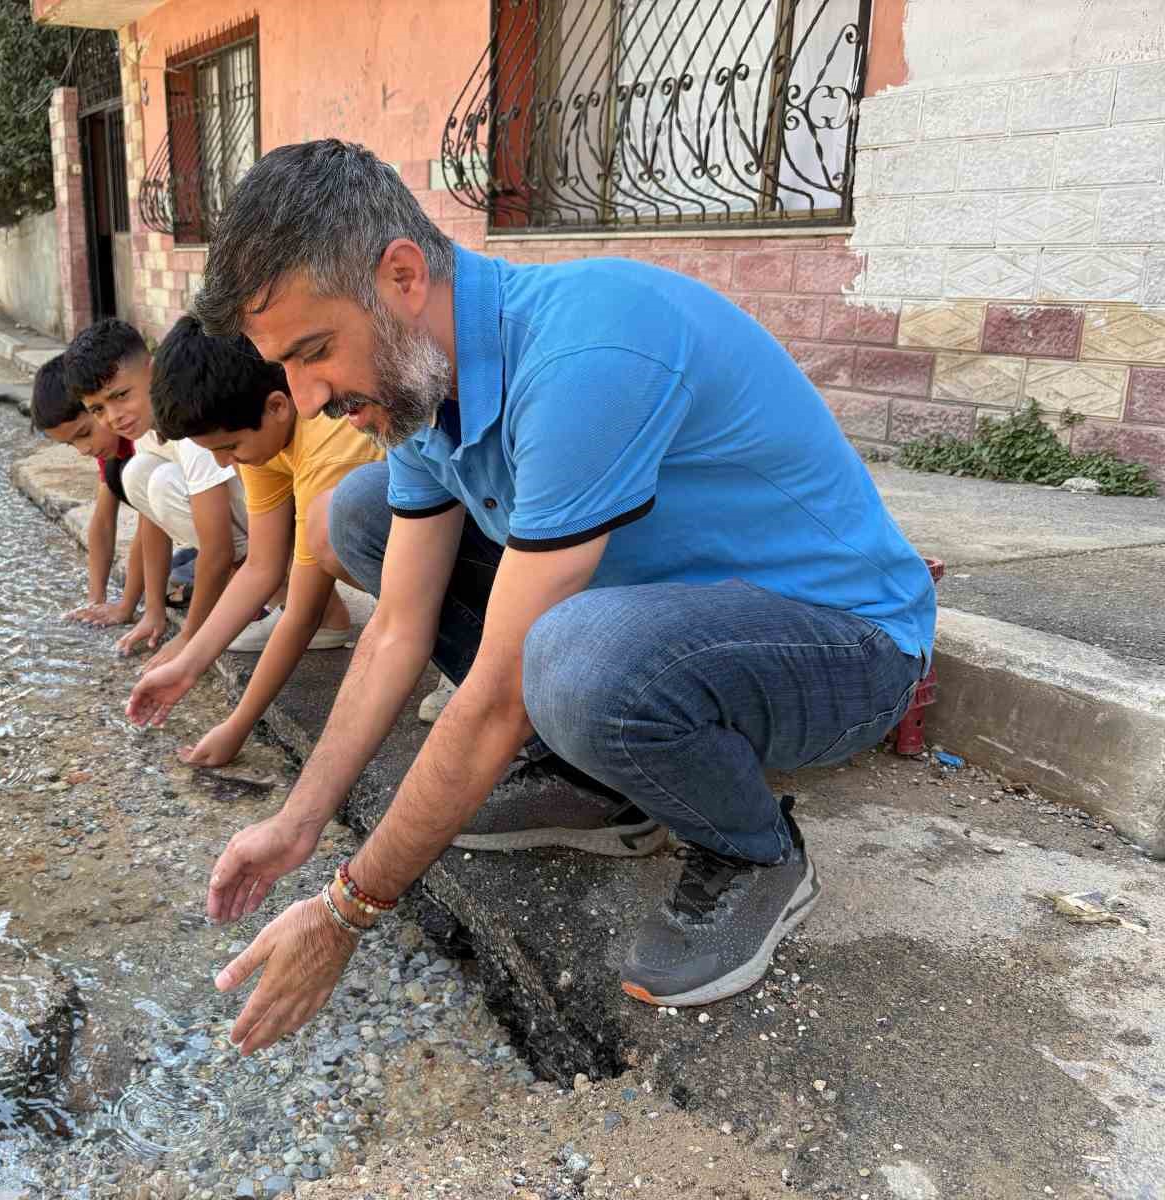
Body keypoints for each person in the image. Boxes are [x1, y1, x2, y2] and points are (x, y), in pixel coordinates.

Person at [192, 140, 937, 1052]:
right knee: (361, 518)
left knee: (572, 660)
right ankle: (603, 777)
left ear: (401, 275)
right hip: (654, 626)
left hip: (844, 649)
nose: (307, 399)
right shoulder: (424, 384)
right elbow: (397, 628)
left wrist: (346, 911)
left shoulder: (589, 351)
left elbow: (500, 692)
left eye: (315, 353)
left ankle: (756, 851)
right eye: (286, 370)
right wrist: (296, 822)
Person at [126, 314, 381, 767]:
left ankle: (462, 640)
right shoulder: (260, 429)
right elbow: (262, 568)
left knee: (331, 531)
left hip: (466, 544)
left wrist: (238, 724)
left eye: (229, 449)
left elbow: (301, 614)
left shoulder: (327, 440)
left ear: (278, 406)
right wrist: (188, 664)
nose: (226, 465)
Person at [65, 318, 260, 668]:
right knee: (139, 475)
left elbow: (218, 549)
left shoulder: (189, 424)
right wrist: (151, 611)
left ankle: (263, 595)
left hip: (273, 541)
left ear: (151, 372)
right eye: (98, 409)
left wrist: (191, 638)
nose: (114, 417)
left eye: (121, 395)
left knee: (160, 483)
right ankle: (248, 594)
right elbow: (151, 525)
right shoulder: (144, 431)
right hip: (247, 535)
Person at [29, 352, 143, 628]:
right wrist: (96, 599)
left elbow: (151, 527)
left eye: (84, 433)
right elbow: (103, 522)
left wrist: (127, 606)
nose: (84, 450)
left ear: (96, 408)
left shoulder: (141, 437)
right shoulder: (111, 450)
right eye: (71, 444)